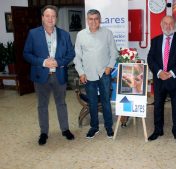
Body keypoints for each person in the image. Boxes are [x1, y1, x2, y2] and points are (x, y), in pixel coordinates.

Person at [23, 5, 75, 145]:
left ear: (56, 18)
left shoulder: (64, 34)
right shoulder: (33, 34)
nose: (50, 19)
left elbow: (71, 53)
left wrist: (58, 62)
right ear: (42, 18)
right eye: (47, 16)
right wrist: (43, 62)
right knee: (42, 105)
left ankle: (65, 129)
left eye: (53, 16)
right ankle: (44, 132)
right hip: (41, 76)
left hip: (59, 75)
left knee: (61, 104)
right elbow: (26, 54)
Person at [73, 9, 118, 139]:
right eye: (91, 19)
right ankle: (94, 127)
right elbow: (77, 56)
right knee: (92, 102)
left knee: (105, 101)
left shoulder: (107, 33)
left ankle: (109, 126)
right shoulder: (81, 35)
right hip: (88, 75)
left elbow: (114, 52)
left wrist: (109, 67)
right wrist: (81, 72)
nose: (93, 21)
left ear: (100, 20)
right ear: (87, 20)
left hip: (104, 73)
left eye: (96, 19)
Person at [147, 16, 176, 145]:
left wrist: (171, 73)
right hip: (160, 79)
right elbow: (150, 59)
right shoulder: (155, 41)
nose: (168, 26)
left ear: (175, 26)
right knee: (158, 106)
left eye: (171, 23)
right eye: (165, 23)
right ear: (161, 25)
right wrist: (159, 72)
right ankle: (158, 130)